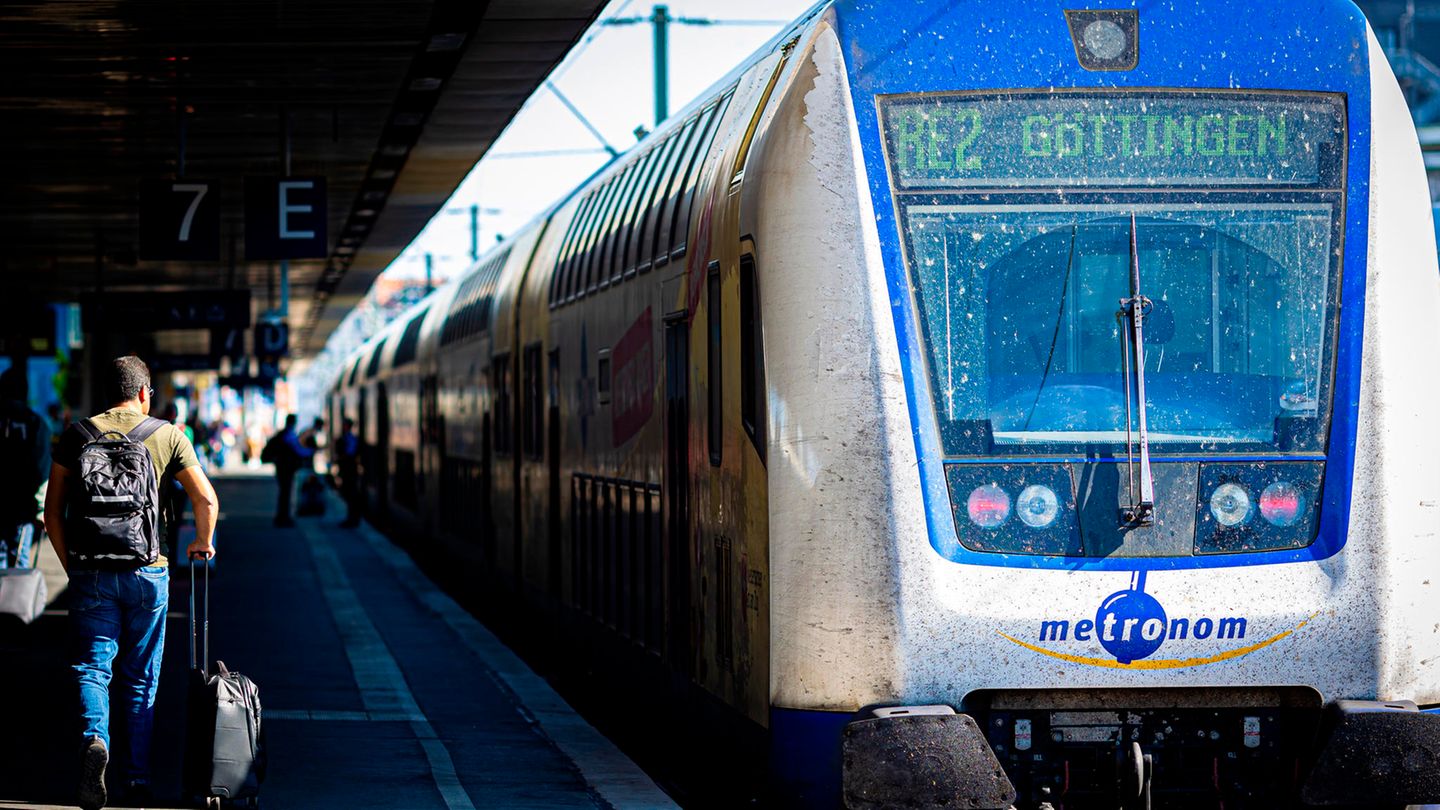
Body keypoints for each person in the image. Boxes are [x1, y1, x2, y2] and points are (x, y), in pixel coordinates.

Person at [43, 355, 219, 810]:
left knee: (91, 669)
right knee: (141, 679)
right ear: (145, 393)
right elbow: (206, 499)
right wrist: (201, 542)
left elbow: (52, 514)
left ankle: (94, 740)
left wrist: (73, 566)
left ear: (109, 393)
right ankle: (137, 781)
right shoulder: (166, 435)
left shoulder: (76, 435)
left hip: (92, 571)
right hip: (148, 571)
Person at [0, 367, 50, 569]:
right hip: (23, 509)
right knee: (18, 564)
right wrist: (41, 511)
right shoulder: (35, 423)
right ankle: (13, 601)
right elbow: (42, 469)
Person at [267, 414, 314, 528]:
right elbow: (298, 450)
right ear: (293, 422)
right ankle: (283, 518)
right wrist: (310, 451)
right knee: (286, 493)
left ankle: (281, 517)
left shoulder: (283, 434)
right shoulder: (289, 435)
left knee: (284, 493)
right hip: (286, 469)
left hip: (281, 468)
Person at [333, 418, 362, 528]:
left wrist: (342, 459)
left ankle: (353, 518)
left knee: (351, 494)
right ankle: (351, 518)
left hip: (349, 471)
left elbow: (349, 454)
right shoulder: (348, 439)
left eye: (345, 425)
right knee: (349, 494)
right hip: (347, 470)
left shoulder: (350, 439)